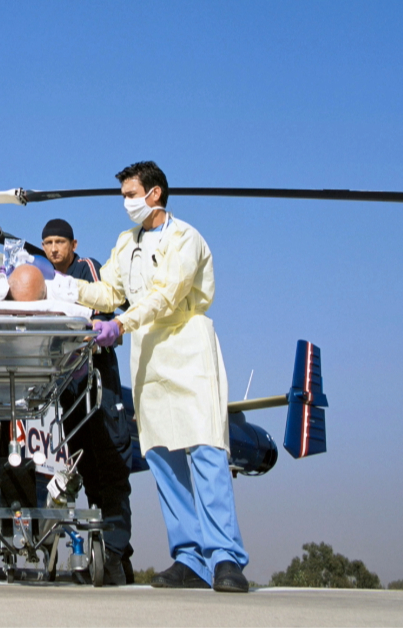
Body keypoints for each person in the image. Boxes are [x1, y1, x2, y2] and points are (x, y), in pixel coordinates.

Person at [74, 161, 250, 593]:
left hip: (186, 345)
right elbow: (110, 293)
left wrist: (120, 325)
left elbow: (167, 296)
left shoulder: (184, 238)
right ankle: (189, 557)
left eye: (131, 193)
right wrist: (57, 286)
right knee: (161, 457)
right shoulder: (126, 242)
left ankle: (225, 557)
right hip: (148, 355)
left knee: (205, 451)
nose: (126, 202)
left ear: (154, 194)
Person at [41, 218, 137, 586]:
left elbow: (105, 309)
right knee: (86, 467)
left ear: (73, 244)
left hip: (99, 384)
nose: (53, 249)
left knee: (111, 462)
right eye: (48, 242)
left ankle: (112, 553)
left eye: (59, 242)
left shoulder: (88, 269)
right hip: (68, 391)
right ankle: (118, 555)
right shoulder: (47, 283)